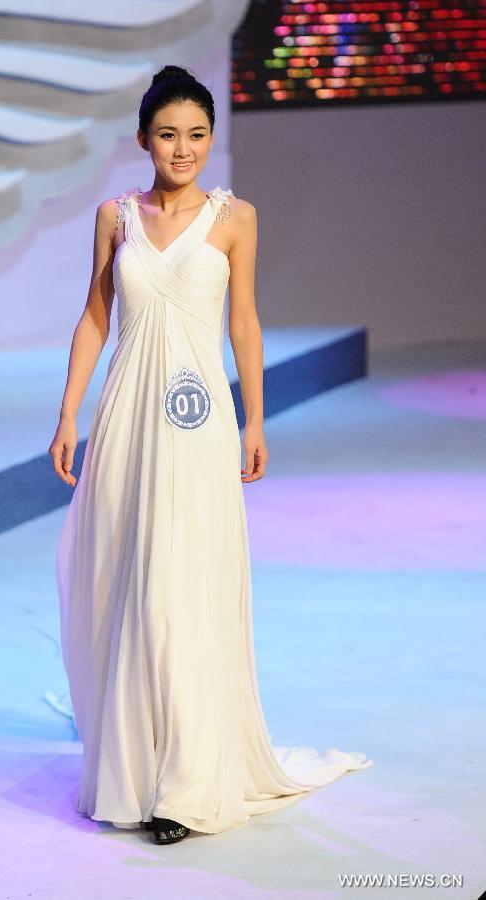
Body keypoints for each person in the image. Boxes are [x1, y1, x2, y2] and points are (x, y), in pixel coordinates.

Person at [50, 64, 373, 845]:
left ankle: (186, 787)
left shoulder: (235, 218)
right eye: (168, 134)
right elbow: (95, 318)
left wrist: (254, 420)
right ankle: (133, 768)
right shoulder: (115, 216)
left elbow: (246, 324)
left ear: (211, 139)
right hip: (127, 418)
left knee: (183, 583)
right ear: (143, 139)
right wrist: (68, 415)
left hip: (197, 425)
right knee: (125, 578)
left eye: (197, 134)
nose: (183, 148)